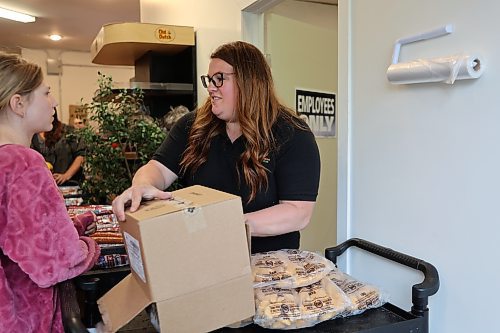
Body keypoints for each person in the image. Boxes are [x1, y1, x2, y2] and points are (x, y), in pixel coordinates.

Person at [112, 41, 321, 254]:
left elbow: (298, 212)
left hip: (269, 264)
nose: (211, 87)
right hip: (202, 255)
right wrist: (142, 184)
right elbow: (158, 169)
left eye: (219, 79)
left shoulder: (293, 134)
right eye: (209, 80)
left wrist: (226, 223)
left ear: (249, 82)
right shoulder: (192, 125)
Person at [0, 52, 100, 332]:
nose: (54, 102)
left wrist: (71, 225)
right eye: (45, 93)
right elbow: (58, 263)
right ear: (18, 103)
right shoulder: (24, 163)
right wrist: (89, 247)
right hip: (25, 315)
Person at [31, 109, 85, 186]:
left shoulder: (68, 131)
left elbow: (81, 155)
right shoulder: (32, 135)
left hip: (68, 185)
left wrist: (66, 176)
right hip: (43, 186)